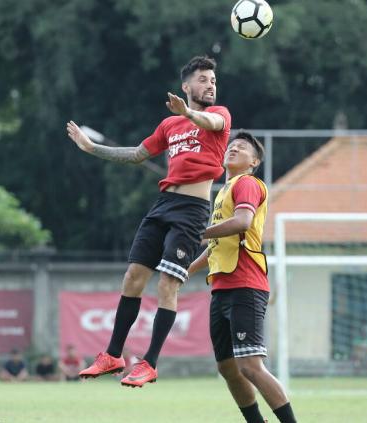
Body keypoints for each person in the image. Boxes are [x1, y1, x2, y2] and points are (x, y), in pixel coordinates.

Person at [66, 55, 231, 387]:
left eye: (212, 80)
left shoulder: (218, 115)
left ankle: (150, 363)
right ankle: (113, 354)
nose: (209, 85)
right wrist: (91, 148)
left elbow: (211, 124)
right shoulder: (169, 125)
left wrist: (188, 113)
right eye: (202, 80)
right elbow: (137, 155)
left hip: (192, 211)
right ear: (186, 86)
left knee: (168, 284)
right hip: (163, 204)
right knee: (132, 278)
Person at [188, 133, 297, 423]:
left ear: (255, 162)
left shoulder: (247, 183)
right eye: (232, 146)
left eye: (243, 148)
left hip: (245, 285)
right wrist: (185, 271)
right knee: (228, 367)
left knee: (250, 365)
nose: (234, 148)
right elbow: (215, 247)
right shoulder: (223, 191)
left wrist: (201, 232)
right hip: (222, 288)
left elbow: (243, 222)